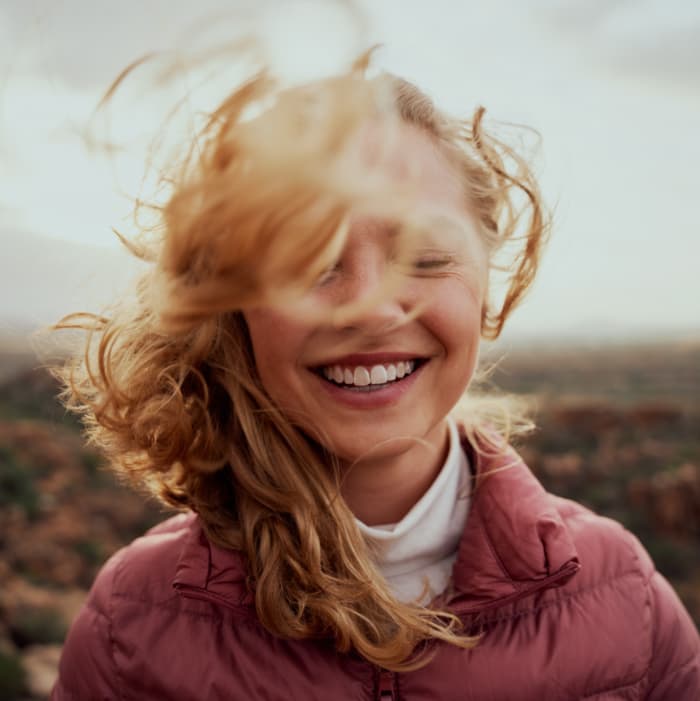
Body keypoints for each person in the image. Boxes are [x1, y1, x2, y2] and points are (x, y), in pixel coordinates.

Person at [50, 49, 699, 701]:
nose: (371, 306)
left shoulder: (628, 611)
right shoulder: (131, 630)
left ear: (484, 290)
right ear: (233, 305)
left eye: (427, 255)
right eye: (310, 261)